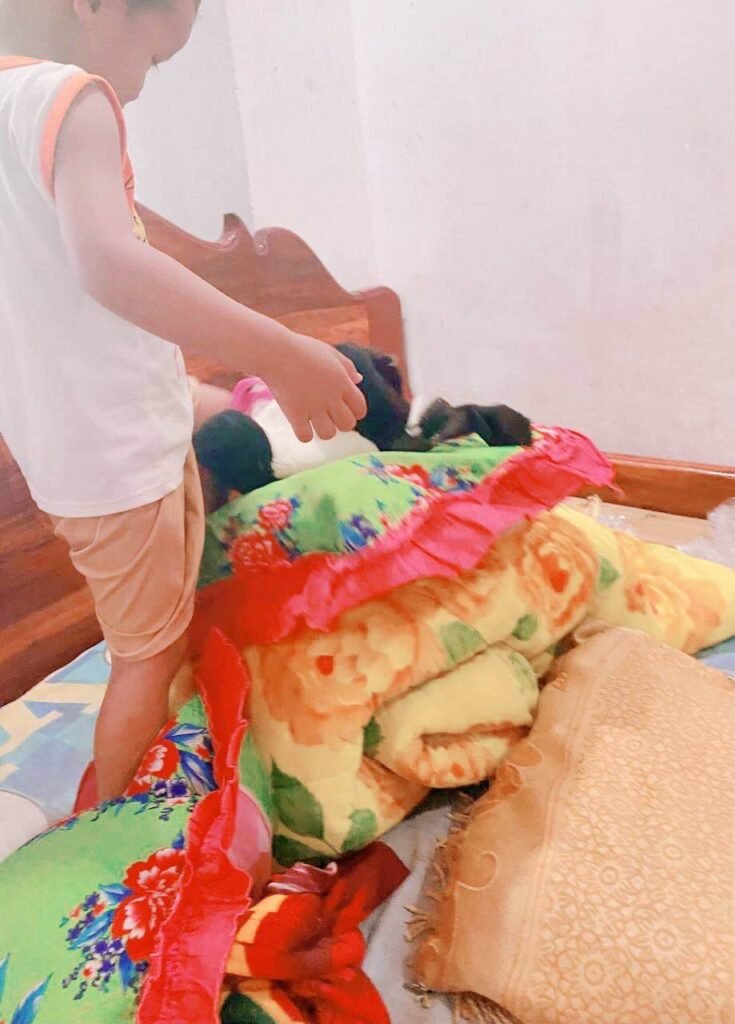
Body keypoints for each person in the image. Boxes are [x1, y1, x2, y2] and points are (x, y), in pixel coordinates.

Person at [0, 0, 366, 801]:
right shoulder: (74, 96)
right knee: (145, 652)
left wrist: (203, 394)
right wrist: (281, 349)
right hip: (114, 457)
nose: (135, 87)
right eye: (153, 58)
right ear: (94, 7)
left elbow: (69, 313)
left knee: (169, 604)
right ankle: (108, 823)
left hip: (69, 446)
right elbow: (110, 267)